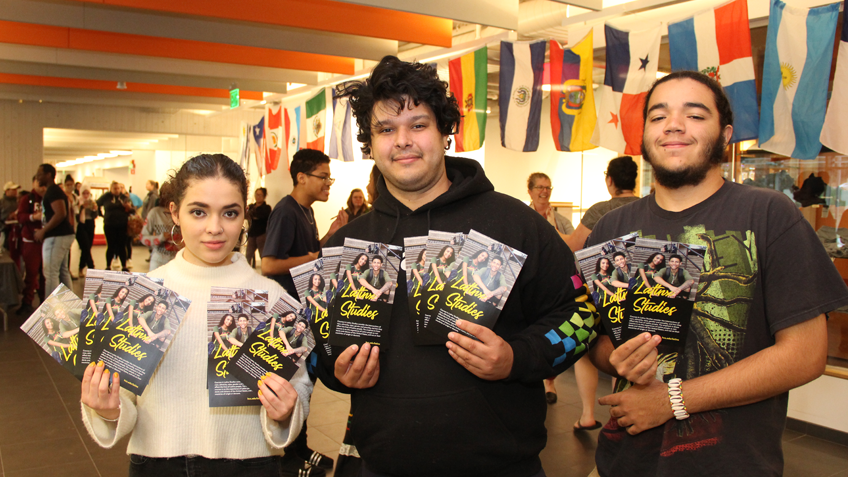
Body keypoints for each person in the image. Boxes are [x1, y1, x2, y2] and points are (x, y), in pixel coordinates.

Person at [316, 55, 597, 477]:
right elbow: (318, 351)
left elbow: (583, 316)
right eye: (386, 129)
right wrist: (338, 373)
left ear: (445, 132)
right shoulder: (344, 246)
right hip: (384, 464)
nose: (403, 140)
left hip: (502, 466)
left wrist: (516, 358)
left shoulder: (514, 224)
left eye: (418, 124)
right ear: (370, 143)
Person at [585, 70, 848, 477]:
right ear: (644, 136)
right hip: (623, 461)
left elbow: (806, 353)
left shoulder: (768, 214)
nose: (673, 124)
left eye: (694, 115)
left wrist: (672, 399)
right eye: (658, 116)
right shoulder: (611, 229)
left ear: (725, 135)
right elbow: (597, 341)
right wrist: (617, 359)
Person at [79, 153, 313, 476]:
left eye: (229, 213)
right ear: (174, 212)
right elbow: (125, 403)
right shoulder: (144, 294)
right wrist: (107, 409)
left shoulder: (272, 298)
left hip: (251, 465)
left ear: (244, 214)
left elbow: (299, 386)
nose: (214, 228)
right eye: (199, 212)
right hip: (158, 465)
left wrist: (287, 410)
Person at [262, 149, 347, 299]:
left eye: (329, 178)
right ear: (302, 178)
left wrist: (329, 235)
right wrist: (311, 259)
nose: (328, 183)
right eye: (323, 177)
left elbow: (310, 251)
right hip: (288, 300)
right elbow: (268, 266)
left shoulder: (307, 210)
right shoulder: (285, 211)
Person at [565, 156, 640, 252]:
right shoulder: (647, 208)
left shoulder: (600, 210)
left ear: (610, 180)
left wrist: (552, 226)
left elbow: (573, 246)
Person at [34, 164, 75, 296]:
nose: (37, 176)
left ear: (49, 175)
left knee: (50, 273)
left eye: (40, 174)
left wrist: (43, 230)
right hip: (63, 235)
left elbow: (61, 213)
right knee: (62, 271)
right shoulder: (52, 191)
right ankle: (70, 304)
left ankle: (50, 308)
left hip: (57, 236)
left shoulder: (53, 191)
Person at [15, 176, 45, 316]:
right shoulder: (27, 199)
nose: (42, 186)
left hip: (47, 241)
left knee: (47, 274)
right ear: (34, 183)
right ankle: (27, 302)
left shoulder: (50, 198)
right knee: (31, 272)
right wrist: (33, 217)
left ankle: (45, 301)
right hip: (31, 240)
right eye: (39, 183)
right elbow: (20, 217)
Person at [527, 172, 574, 244]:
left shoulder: (563, 221)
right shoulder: (522, 218)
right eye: (540, 187)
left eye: (548, 188)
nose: (545, 191)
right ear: (530, 192)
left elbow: (573, 244)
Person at [140, 182, 177, 271]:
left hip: (177, 263)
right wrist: (161, 237)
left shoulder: (181, 214)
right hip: (158, 261)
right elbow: (143, 238)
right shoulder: (154, 213)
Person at [97, 181, 133, 271]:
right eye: (115, 188)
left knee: (122, 245)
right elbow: (97, 204)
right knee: (111, 246)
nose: (117, 190)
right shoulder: (106, 197)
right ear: (111, 189)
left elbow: (132, 210)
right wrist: (101, 214)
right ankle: (108, 265)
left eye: (118, 188)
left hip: (122, 224)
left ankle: (124, 265)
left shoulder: (124, 197)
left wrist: (128, 207)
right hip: (110, 224)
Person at [76, 185, 98, 277]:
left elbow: (96, 215)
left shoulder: (92, 201)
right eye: (83, 193)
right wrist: (81, 207)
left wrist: (95, 209)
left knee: (87, 247)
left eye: (87, 193)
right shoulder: (78, 201)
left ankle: (81, 268)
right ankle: (91, 268)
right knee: (85, 246)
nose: (85, 195)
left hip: (90, 224)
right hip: (81, 225)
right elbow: (75, 214)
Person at [246, 187, 271, 268]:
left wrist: (252, 215)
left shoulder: (266, 208)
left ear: (264, 196)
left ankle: (266, 272)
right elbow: (246, 215)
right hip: (252, 233)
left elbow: (258, 216)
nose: (258, 197)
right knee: (248, 255)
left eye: (260, 195)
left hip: (261, 234)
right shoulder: (251, 206)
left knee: (263, 255)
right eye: (256, 195)